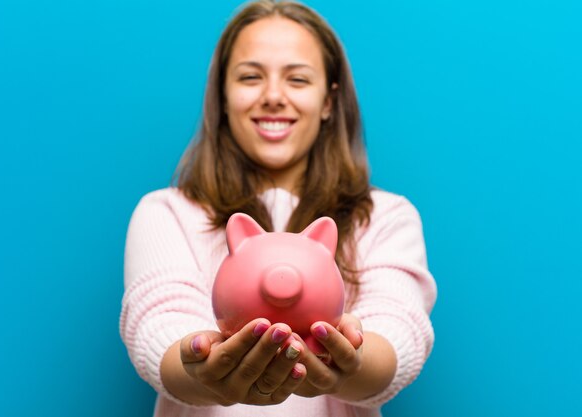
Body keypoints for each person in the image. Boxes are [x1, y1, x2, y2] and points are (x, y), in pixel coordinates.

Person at [120, 1, 437, 416]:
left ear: (329, 100)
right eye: (250, 77)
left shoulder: (385, 217)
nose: (273, 96)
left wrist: (351, 365)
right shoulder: (167, 213)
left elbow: (396, 329)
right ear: (224, 96)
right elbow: (161, 325)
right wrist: (205, 370)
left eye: (298, 79)